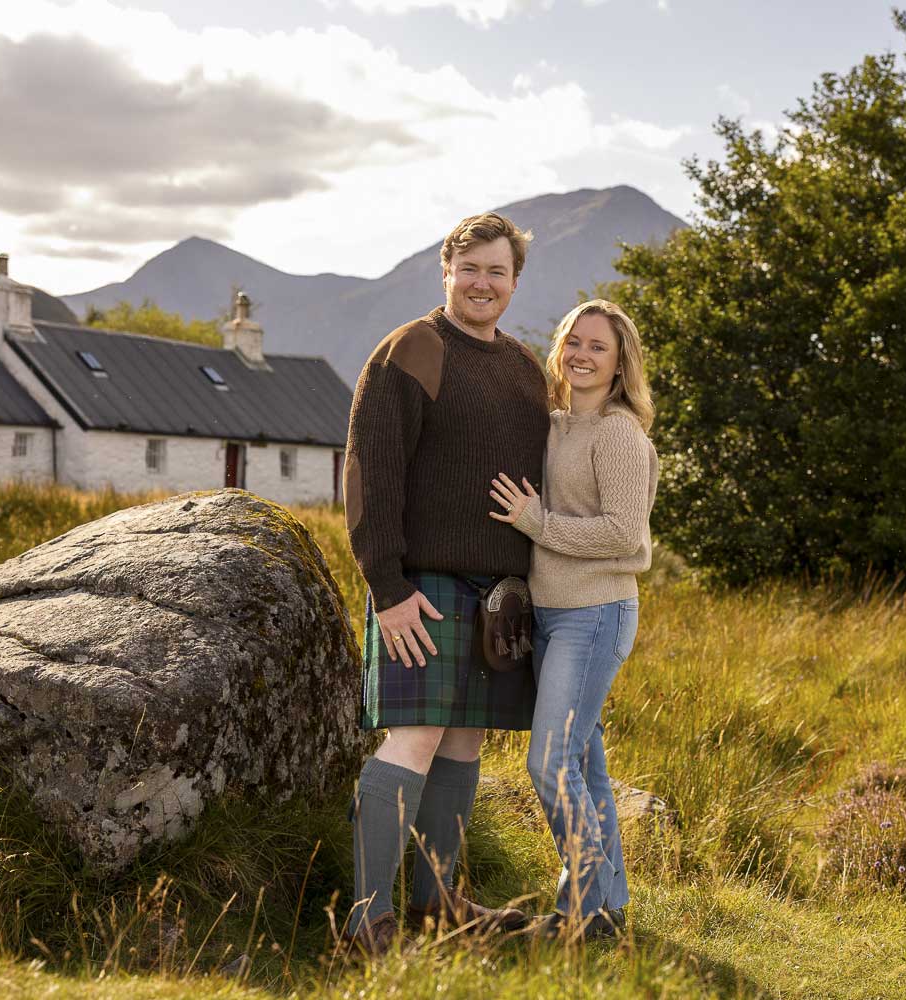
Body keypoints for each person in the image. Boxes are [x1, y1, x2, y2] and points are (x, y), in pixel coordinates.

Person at [339, 212, 550, 956]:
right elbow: (371, 470)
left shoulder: (526, 368)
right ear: (447, 272)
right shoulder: (414, 349)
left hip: (499, 595)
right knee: (418, 735)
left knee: (464, 741)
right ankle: (366, 921)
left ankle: (438, 906)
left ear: (515, 282)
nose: (483, 283)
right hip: (420, 586)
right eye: (471, 269)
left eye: (498, 271)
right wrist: (387, 586)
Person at [488, 298, 658, 942]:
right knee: (584, 769)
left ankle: (579, 910)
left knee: (550, 763)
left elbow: (625, 538)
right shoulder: (555, 425)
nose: (582, 355)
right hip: (554, 615)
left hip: (596, 614)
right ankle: (608, 909)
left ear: (619, 367)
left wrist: (538, 525)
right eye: (574, 343)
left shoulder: (617, 432)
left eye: (599, 348)